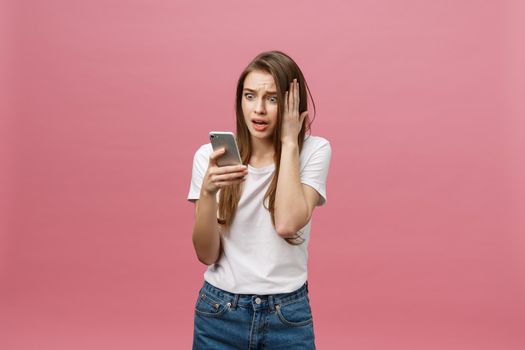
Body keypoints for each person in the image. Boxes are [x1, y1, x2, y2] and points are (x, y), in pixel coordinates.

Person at [187, 50, 331, 349]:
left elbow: (287, 223)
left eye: (273, 99)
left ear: (293, 103)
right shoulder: (209, 156)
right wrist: (208, 193)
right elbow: (206, 254)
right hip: (219, 313)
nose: (259, 110)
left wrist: (290, 142)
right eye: (250, 96)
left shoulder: (314, 151)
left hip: (287, 316)